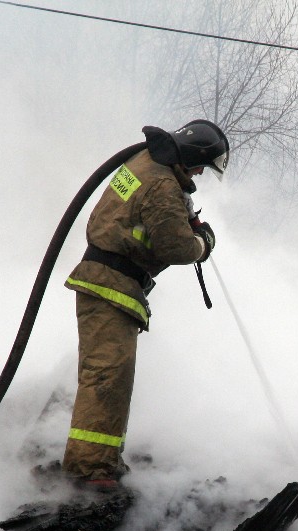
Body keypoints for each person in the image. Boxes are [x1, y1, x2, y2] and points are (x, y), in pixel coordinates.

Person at [60, 120, 229, 490]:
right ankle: (89, 471)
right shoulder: (163, 185)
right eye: (202, 165)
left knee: (112, 378)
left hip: (106, 281)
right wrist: (203, 241)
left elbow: (137, 214)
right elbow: (177, 247)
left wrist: (183, 214)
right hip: (110, 284)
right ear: (193, 156)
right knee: (107, 377)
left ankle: (101, 462)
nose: (200, 173)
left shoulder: (145, 163)